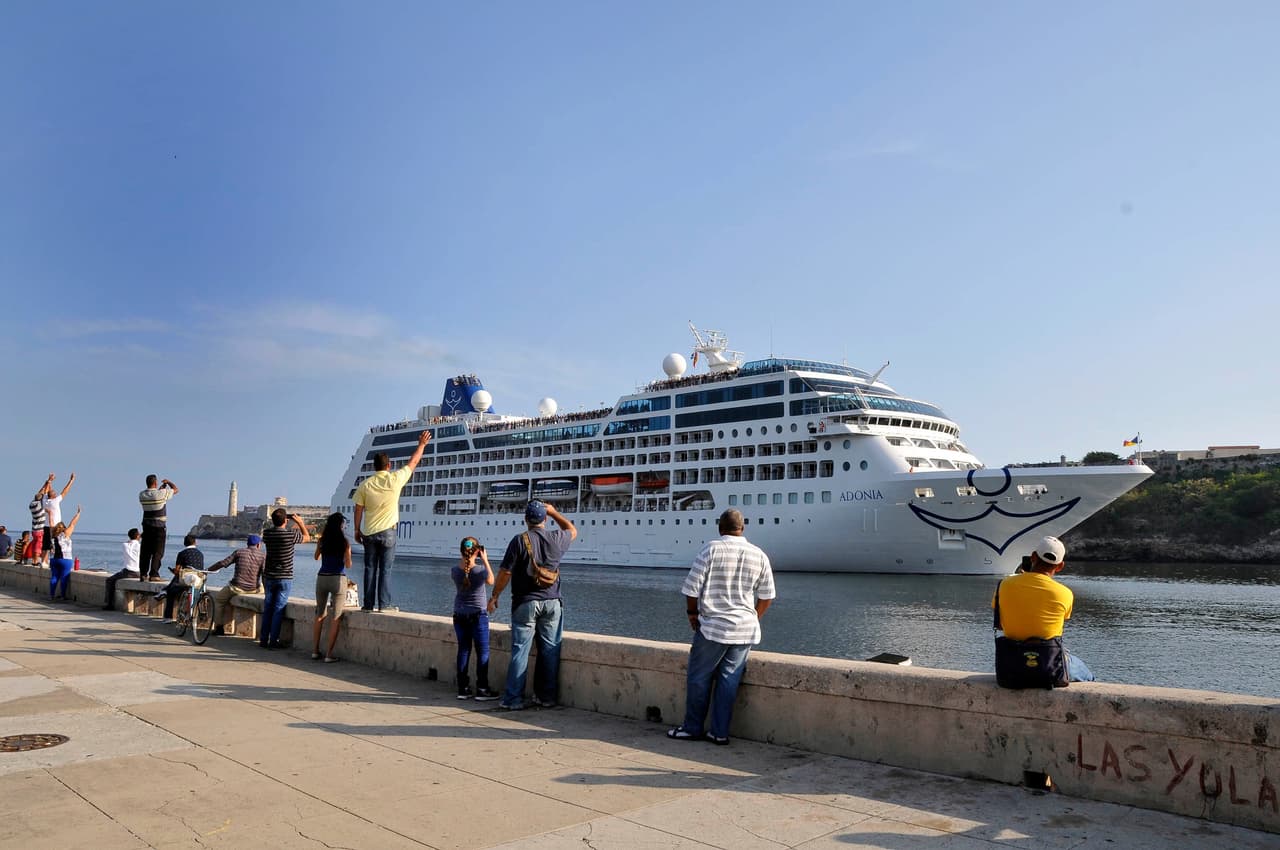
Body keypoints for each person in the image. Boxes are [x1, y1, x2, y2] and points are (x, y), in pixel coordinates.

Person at [668, 508, 775, 746]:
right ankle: (719, 732)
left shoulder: (711, 549)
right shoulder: (759, 554)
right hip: (745, 629)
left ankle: (692, 727)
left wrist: (692, 613)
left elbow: (691, 589)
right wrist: (754, 617)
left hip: (713, 627)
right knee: (729, 679)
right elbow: (768, 595)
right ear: (743, 528)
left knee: (699, 677)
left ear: (719, 527)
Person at [488, 500, 576, 710]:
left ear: (526, 519)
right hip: (552, 602)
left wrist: (494, 596)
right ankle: (546, 697)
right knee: (550, 651)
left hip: (525, 602)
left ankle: (513, 699)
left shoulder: (520, 541)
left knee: (520, 651)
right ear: (545, 519)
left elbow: (505, 573)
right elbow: (572, 529)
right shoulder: (557, 538)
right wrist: (554, 512)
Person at [991, 535, 1095, 682]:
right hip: (1048, 663)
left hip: (1012, 663)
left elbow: (1000, 624)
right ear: (1060, 566)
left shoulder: (1004, 585)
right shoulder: (1064, 593)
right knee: (1088, 675)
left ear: (1033, 556)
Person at [353, 429, 431, 612]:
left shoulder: (365, 485)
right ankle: (384, 605)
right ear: (389, 466)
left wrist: (357, 530)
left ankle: (368, 605)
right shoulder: (395, 479)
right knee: (385, 570)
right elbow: (413, 462)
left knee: (370, 569)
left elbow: (358, 509)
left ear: (374, 467)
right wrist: (421, 444)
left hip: (369, 533)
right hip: (388, 532)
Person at [452, 536, 497, 700]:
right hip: (478, 615)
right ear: (477, 551)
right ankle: (482, 689)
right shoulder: (480, 571)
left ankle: (462, 688)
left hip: (459, 614)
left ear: (461, 551)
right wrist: (485, 559)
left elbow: (464, 570)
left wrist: (469, 557)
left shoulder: (454, 571)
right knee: (482, 652)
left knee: (463, 651)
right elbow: (491, 580)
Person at [260, 509, 310, 648]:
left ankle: (263, 639)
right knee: (278, 609)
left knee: (268, 607)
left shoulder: (267, 534)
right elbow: (307, 538)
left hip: (269, 576)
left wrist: (282, 520)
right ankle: (273, 641)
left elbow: (275, 527)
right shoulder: (290, 535)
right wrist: (300, 523)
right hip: (285, 577)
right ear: (285, 520)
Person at [206, 535, 265, 635]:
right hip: (254, 589)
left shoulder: (239, 552)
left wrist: (207, 570)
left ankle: (219, 627)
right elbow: (265, 574)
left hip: (236, 588)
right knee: (262, 587)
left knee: (219, 600)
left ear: (247, 544)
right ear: (259, 545)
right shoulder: (263, 556)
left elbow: (223, 563)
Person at [312, 513, 351, 662]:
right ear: (341, 525)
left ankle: (315, 651)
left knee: (319, 614)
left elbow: (316, 557)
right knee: (336, 616)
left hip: (322, 577)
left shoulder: (322, 541)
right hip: (338, 578)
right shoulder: (344, 542)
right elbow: (348, 564)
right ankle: (329, 654)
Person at [138, 475, 179, 581]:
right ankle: (154, 574)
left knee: (145, 552)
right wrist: (168, 482)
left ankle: (143, 574)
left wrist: (161, 489)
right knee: (158, 552)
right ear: (155, 482)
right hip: (159, 527)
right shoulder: (160, 494)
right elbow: (175, 490)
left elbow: (155, 496)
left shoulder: (142, 495)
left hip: (146, 526)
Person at [157, 535, 205, 622]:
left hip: (186, 581)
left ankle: (168, 617)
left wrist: (173, 571)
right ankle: (165, 590)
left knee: (171, 592)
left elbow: (177, 570)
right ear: (195, 542)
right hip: (198, 580)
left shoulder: (182, 553)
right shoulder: (200, 554)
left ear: (184, 543)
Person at [48, 506, 84, 601]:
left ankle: (52, 595)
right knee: (64, 577)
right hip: (65, 560)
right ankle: (63, 596)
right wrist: (78, 513)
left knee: (54, 577)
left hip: (53, 560)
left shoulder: (53, 534)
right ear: (63, 528)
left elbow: (51, 523)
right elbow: (72, 524)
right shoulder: (65, 534)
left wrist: (50, 513)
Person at [102, 528, 142, 611]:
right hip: (138, 572)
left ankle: (109, 604)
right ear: (138, 536)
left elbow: (129, 542)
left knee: (110, 580)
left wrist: (137, 536)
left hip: (128, 572)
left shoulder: (125, 545)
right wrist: (139, 537)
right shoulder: (139, 545)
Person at [42, 472, 75, 568]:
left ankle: (43, 561)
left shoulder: (45, 501)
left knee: (45, 545)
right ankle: (55, 560)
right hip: (56, 527)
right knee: (57, 543)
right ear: (53, 496)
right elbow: (65, 491)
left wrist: (50, 480)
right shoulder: (55, 501)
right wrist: (71, 480)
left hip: (46, 526)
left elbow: (45, 490)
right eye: (55, 494)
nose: (56, 494)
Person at [28, 476, 52, 567]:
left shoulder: (32, 504)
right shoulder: (39, 504)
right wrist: (49, 482)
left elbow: (39, 493)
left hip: (34, 529)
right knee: (38, 547)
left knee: (35, 545)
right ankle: (35, 562)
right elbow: (44, 493)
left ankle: (35, 561)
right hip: (40, 530)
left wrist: (46, 483)